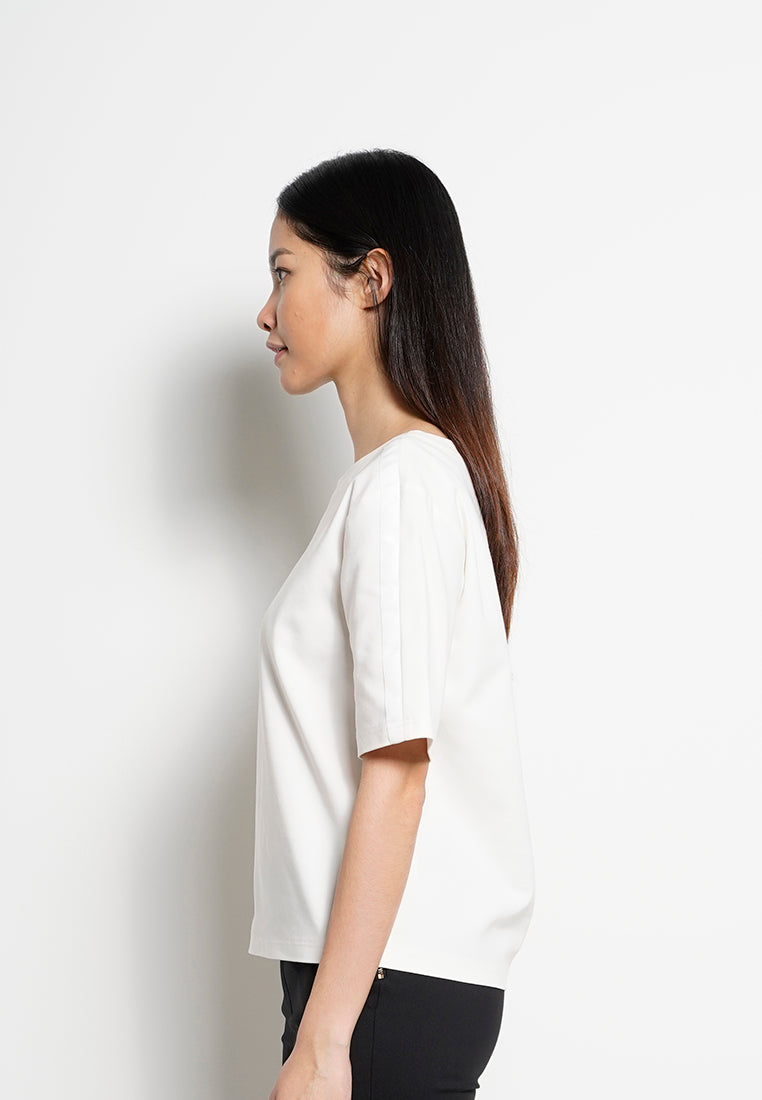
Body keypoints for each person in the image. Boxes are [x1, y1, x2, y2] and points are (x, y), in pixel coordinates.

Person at [249, 149, 535, 1100]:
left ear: (371, 279)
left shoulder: (404, 484)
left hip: (380, 986)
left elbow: (400, 766)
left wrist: (325, 1041)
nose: (266, 313)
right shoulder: (397, 484)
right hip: (380, 978)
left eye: (284, 273)